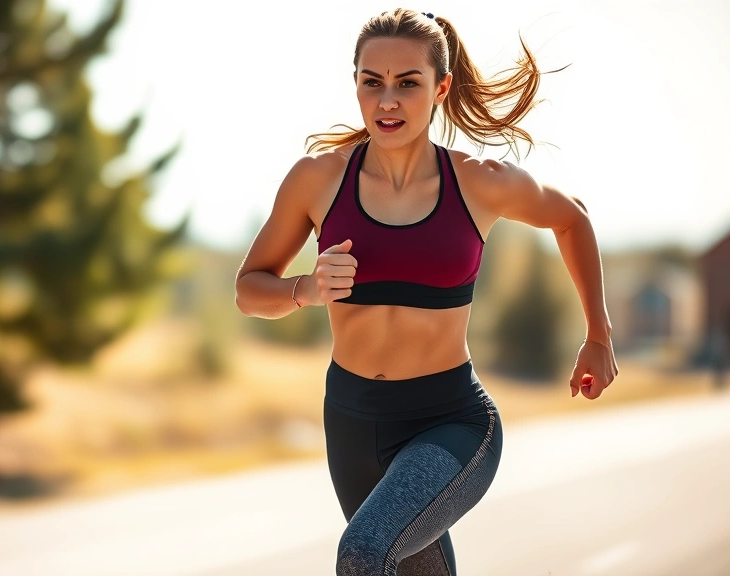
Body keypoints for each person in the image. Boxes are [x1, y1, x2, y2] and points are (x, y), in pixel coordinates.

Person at [233, 8, 619, 576]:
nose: (387, 101)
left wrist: (599, 336)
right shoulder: (316, 180)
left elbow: (572, 218)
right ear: (357, 85)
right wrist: (304, 289)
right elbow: (248, 290)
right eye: (372, 83)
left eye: (407, 84)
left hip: (452, 422)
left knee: (365, 553)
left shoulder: (479, 182)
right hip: (352, 421)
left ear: (440, 88)